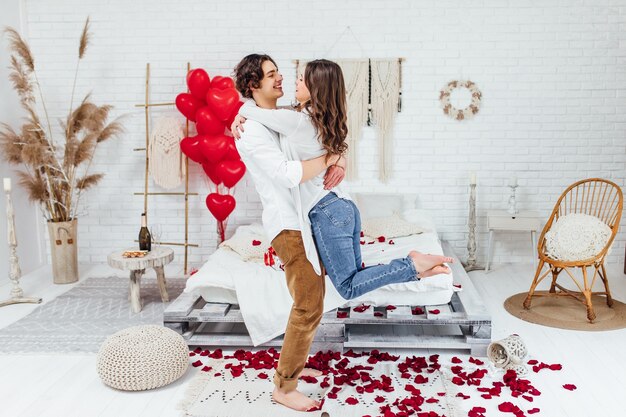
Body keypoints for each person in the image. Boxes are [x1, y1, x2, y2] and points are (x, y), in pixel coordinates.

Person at [233, 59, 452, 302]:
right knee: (356, 276)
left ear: (315, 88)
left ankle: (412, 265)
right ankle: (416, 270)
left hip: (327, 212)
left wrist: (239, 114)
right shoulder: (316, 118)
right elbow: (273, 114)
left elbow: (254, 111)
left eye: (302, 78)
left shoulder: (297, 121)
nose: (294, 80)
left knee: (347, 286)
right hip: (341, 207)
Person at [232, 54, 344, 412]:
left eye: (280, 73)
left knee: (314, 301)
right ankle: (284, 387)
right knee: (309, 302)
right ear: (253, 85)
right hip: (287, 225)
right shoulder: (250, 129)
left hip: (305, 219)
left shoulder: (283, 119)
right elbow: (286, 173)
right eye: (270, 75)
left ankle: (290, 371)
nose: (280, 79)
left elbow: (327, 132)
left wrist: (340, 156)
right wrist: (330, 160)